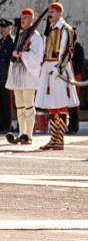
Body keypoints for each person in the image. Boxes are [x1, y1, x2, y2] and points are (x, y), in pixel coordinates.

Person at [35, 2, 79, 150]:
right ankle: (53, 138)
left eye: (53, 12)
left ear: (60, 13)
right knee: (51, 105)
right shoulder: (50, 28)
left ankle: (60, 139)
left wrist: (58, 69)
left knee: (60, 105)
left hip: (58, 69)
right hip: (48, 68)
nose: (50, 14)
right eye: (49, 12)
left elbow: (67, 51)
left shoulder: (65, 29)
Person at [6, 9, 43, 144]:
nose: (22, 20)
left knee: (28, 105)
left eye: (26, 18)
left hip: (28, 74)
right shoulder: (20, 34)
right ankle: (22, 133)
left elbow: (37, 56)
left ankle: (29, 135)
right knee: (19, 105)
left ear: (32, 20)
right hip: (18, 72)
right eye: (22, 17)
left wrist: (22, 55)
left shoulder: (36, 37)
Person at [0, 18, 14, 134]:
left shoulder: (13, 43)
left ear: (10, 28)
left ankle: (7, 126)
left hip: (7, 76)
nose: (2, 30)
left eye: (4, 27)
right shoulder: (0, 42)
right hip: (0, 76)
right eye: (1, 27)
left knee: (6, 102)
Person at [67, 42, 84, 134]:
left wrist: (74, 75)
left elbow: (79, 64)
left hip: (75, 76)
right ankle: (67, 125)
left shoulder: (77, 47)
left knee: (74, 101)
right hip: (66, 76)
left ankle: (74, 126)